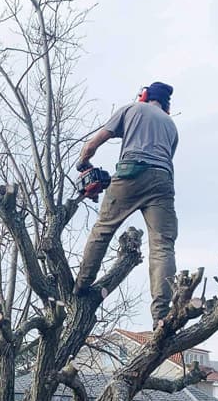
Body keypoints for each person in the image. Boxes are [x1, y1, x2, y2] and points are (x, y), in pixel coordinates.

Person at [74, 81, 179, 329]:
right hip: (163, 180)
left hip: (132, 172)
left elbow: (93, 143)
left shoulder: (131, 109)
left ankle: (81, 285)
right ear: (167, 105)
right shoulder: (171, 126)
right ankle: (161, 316)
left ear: (144, 96)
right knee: (162, 246)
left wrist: (83, 162)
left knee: (103, 229)